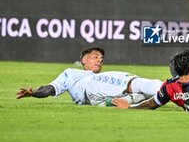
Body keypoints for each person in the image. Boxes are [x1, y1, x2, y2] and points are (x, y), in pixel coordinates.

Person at [16, 47, 163, 106]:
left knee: (141, 95)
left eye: (101, 59)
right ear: (84, 60)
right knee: (135, 82)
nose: (99, 60)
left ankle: (174, 92)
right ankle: (174, 89)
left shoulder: (102, 77)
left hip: (96, 102)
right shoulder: (71, 73)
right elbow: (51, 88)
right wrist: (35, 93)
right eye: (95, 56)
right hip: (91, 87)